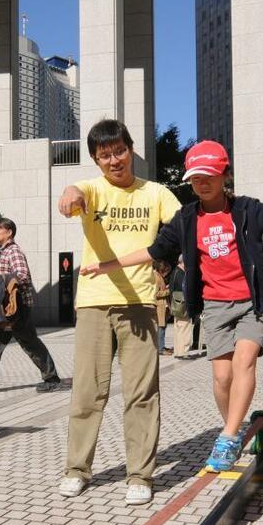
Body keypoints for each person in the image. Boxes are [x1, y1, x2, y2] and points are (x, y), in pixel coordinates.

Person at [81, 140, 263, 471]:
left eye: (209, 175)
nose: (202, 183)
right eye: (196, 177)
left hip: (251, 303)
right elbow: (154, 251)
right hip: (215, 306)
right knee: (222, 379)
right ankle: (234, 430)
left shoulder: (248, 210)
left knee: (244, 361)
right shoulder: (185, 219)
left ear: (225, 174)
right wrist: (107, 265)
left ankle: (226, 435)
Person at [57, 119, 181, 505]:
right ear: (96, 160)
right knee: (88, 392)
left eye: (119, 151)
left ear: (131, 149)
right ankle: (77, 469)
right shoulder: (91, 190)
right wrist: (69, 195)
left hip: (140, 305)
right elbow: (73, 193)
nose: (114, 160)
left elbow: (181, 227)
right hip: (94, 302)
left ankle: (140, 475)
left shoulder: (156, 193)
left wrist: (174, 262)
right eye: (104, 155)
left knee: (142, 392)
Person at [0, 217, 61, 395]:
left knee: (21, 343)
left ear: (9, 232)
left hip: (14, 309)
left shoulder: (13, 251)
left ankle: (52, 379)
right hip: (7, 308)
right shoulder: (4, 252)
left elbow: (22, 275)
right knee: (1, 342)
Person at [169, 258, 194, 358]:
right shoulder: (182, 274)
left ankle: (178, 351)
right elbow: (186, 290)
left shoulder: (174, 272)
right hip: (183, 305)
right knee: (185, 327)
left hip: (176, 305)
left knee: (178, 328)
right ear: (183, 262)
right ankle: (184, 351)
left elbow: (171, 289)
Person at [154, 260, 173, 356]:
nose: (167, 274)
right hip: (159, 307)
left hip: (162, 307)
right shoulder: (156, 277)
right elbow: (156, 293)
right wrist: (168, 291)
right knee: (161, 328)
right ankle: (160, 349)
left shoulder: (159, 276)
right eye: (167, 271)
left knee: (163, 327)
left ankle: (161, 346)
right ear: (163, 270)